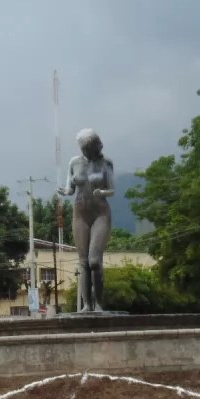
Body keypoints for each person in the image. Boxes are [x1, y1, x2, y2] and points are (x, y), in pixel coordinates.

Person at [58, 128, 117, 312]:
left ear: (95, 146)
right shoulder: (74, 162)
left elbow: (112, 189)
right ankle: (86, 305)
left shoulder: (106, 163)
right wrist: (66, 191)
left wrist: (103, 192)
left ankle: (99, 303)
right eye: (83, 148)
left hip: (100, 214)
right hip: (80, 214)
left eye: (88, 148)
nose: (85, 152)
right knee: (83, 261)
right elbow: (70, 188)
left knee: (94, 261)